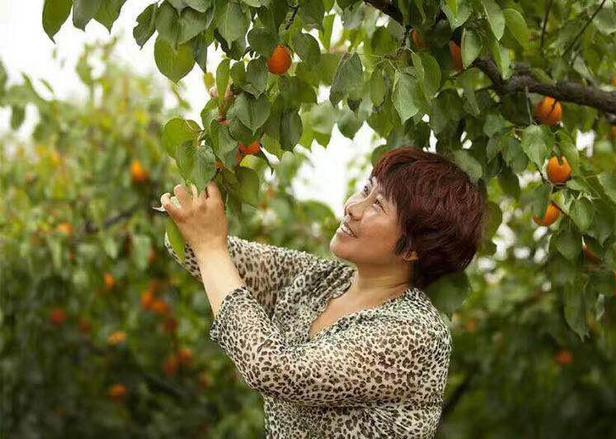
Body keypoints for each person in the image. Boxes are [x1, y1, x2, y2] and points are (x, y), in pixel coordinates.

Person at [164, 146, 487, 438]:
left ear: (413, 248)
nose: (353, 207)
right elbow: (188, 246)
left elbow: (273, 369)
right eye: (365, 190)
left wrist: (209, 246)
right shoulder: (319, 280)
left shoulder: (413, 331)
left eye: (378, 205)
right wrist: (219, 153)